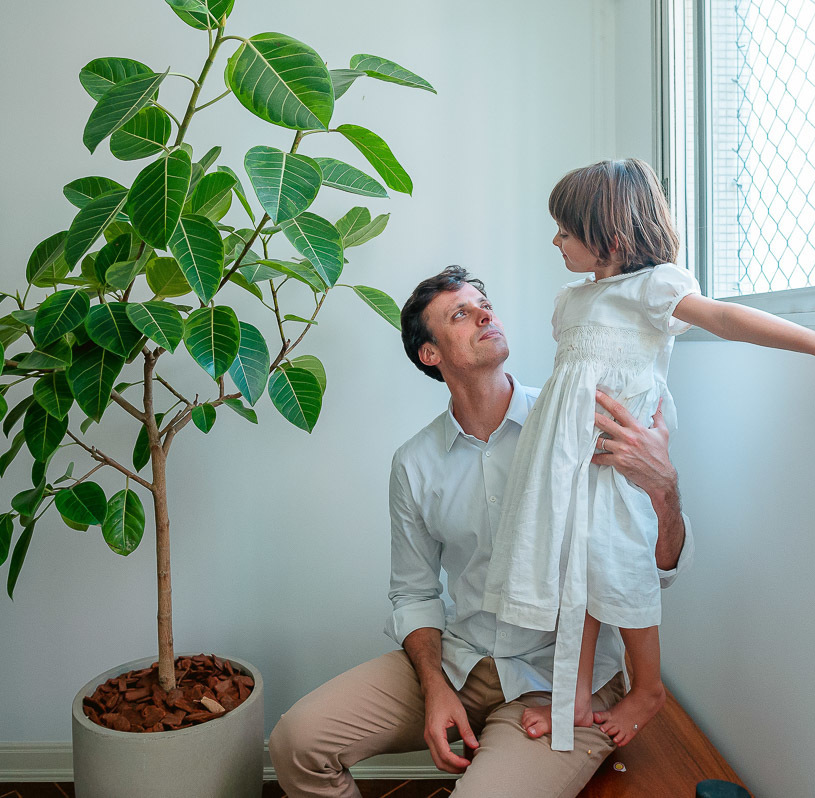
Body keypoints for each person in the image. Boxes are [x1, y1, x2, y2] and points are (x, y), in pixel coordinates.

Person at [481, 158, 815, 752]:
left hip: (620, 457)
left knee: (620, 563)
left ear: (611, 240)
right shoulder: (572, 301)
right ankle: (573, 692)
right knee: (578, 560)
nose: (555, 240)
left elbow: (724, 317)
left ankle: (648, 688)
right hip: (571, 458)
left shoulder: (654, 287)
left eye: (566, 231)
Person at [268, 266, 695, 798]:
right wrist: (436, 687)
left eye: (484, 304)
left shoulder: (578, 418)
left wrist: (665, 487)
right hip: (460, 659)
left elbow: (657, 569)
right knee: (297, 741)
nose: (485, 314)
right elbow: (414, 593)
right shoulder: (415, 464)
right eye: (460, 314)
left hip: (561, 680)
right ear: (431, 354)